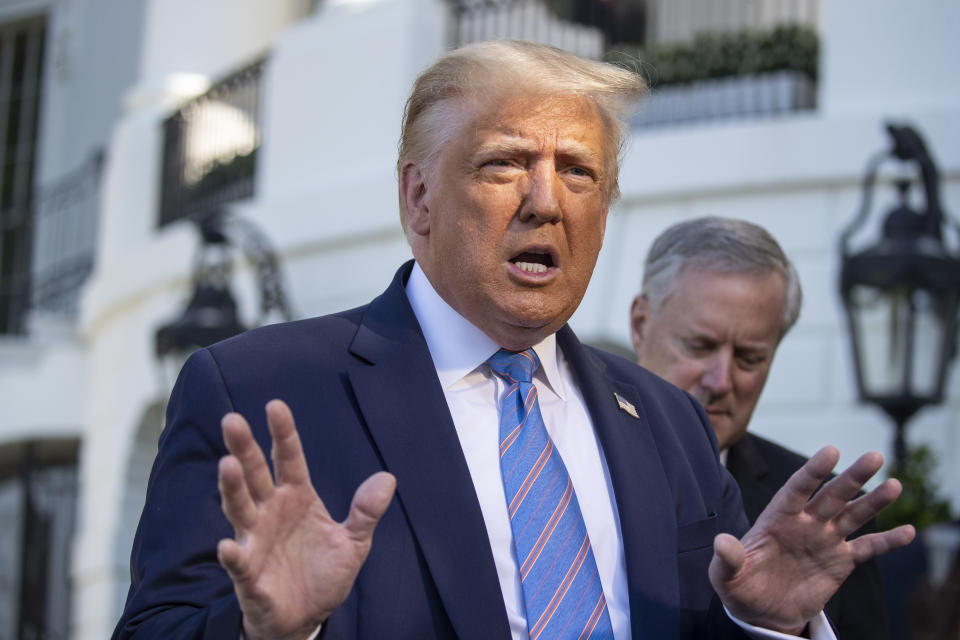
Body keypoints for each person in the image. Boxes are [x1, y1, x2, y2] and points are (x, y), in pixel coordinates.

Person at [114, 40, 914, 640]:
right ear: (418, 194)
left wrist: (764, 625)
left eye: (579, 172)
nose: (546, 202)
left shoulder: (666, 423)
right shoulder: (259, 388)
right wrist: (267, 632)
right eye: (504, 164)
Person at [629, 216, 891, 638]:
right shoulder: (549, 462)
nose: (721, 380)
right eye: (700, 346)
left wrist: (784, 628)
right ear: (640, 324)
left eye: (749, 358)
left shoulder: (827, 520)